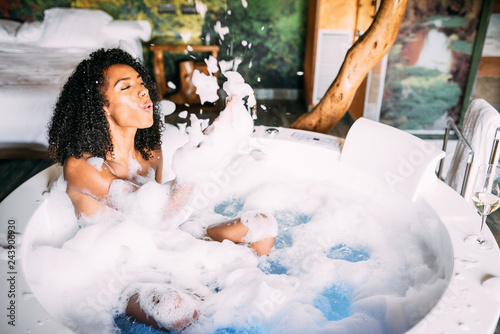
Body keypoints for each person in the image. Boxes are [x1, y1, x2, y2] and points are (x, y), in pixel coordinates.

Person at [47, 48, 276, 331]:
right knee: (176, 311)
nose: (143, 92)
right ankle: (214, 294)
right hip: (118, 273)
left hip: (166, 244)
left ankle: (223, 289)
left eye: (141, 84)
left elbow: (165, 214)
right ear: (102, 106)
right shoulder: (83, 166)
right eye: (126, 87)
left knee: (263, 228)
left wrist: (218, 136)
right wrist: (196, 164)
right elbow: (155, 214)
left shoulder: (150, 151)